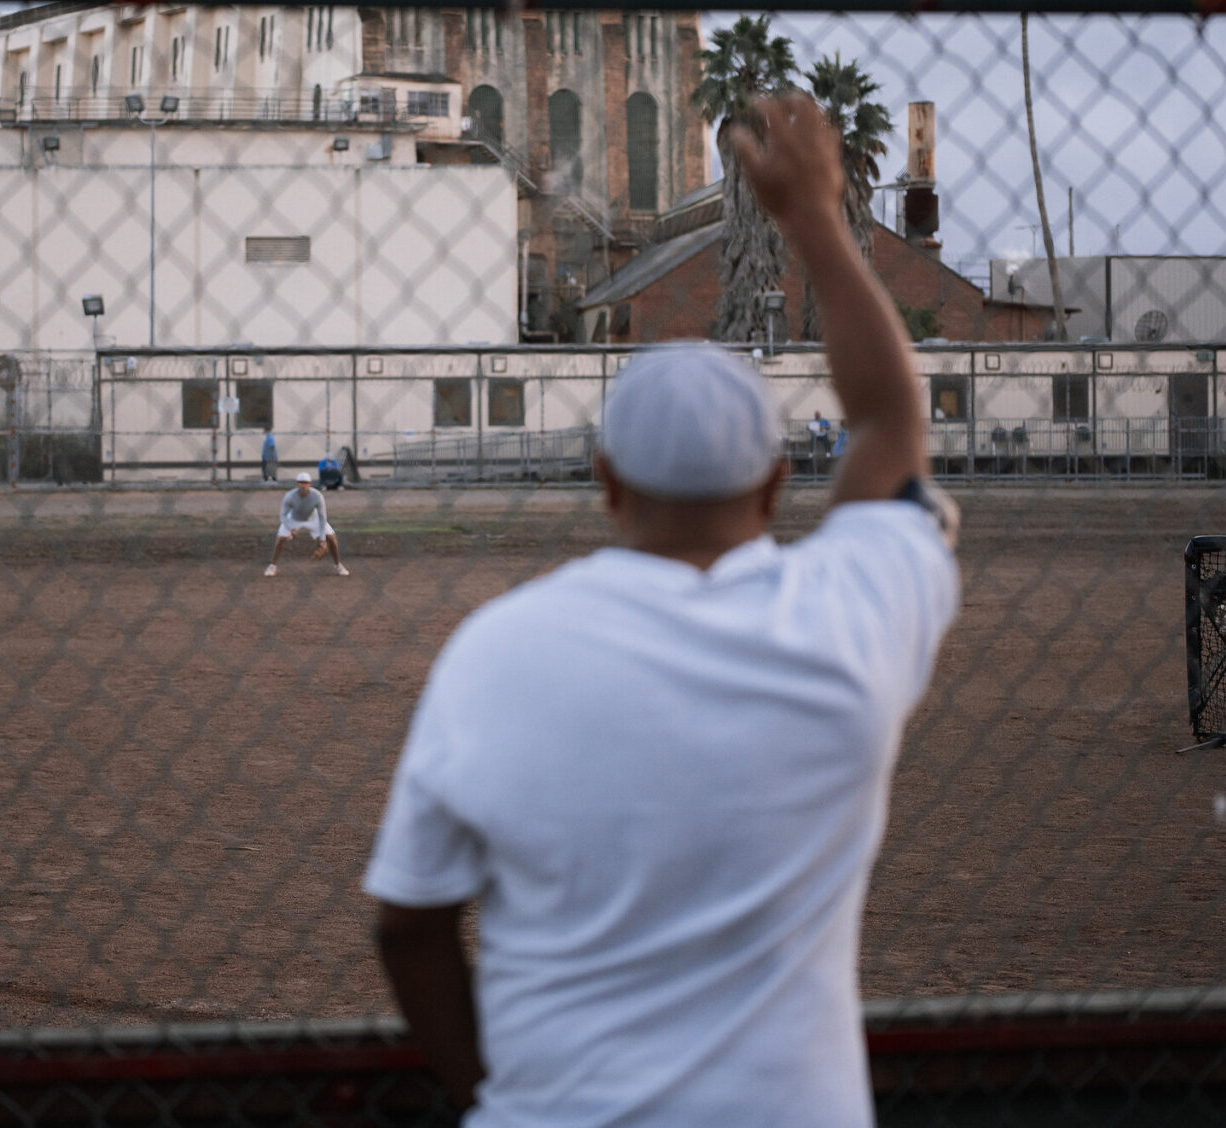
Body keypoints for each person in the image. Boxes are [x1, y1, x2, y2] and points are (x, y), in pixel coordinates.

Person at [364, 89, 960, 1126]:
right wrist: (815, 217)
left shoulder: (498, 649)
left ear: (606, 480)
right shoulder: (840, 624)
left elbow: (408, 927)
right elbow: (888, 421)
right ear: (776, 487)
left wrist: (486, 1095)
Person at [265, 471, 348, 577]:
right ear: (296, 484)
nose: (303, 485)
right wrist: (291, 528)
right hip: (294, 519)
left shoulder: (317, 496)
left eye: (305, 483)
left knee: (332, 538)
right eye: (300, 483)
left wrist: (322, 540)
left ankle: (338, 565)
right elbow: (283, 515)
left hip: (313, 519)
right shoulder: (289, 496)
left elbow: (322, 518)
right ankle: (272, 566)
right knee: (280, 539)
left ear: (310, 484)